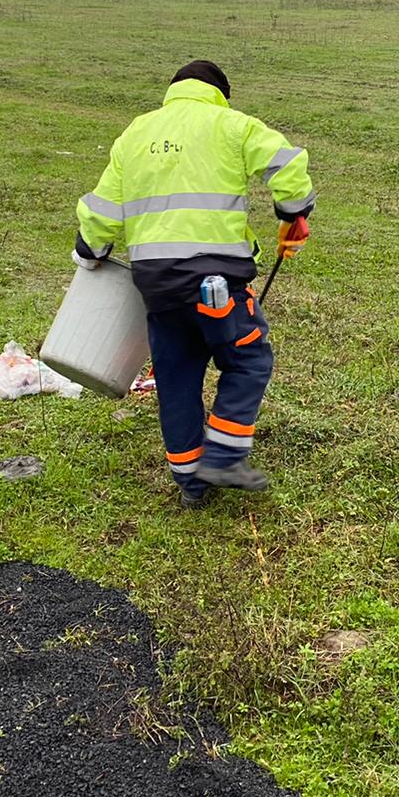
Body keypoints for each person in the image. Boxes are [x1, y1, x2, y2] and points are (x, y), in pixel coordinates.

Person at [73, 60, 315, 508]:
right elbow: (286, 164)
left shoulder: (136, 133)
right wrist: (292, 210)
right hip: (216, 280)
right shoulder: (231, 123)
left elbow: (102, 209)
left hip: (157, 285)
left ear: (173, 91)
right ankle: (223, 456)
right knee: (248, 361)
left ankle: (189, 481)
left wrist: (90, 249)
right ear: (220, 93)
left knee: (177, 375)